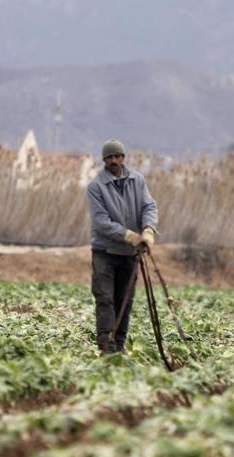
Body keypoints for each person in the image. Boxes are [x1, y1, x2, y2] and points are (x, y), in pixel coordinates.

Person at [86, 139, 158, 356]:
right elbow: (101, 221)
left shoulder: (137, 180)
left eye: (117, 156)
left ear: (123, 157)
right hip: (105, 252)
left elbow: (149, 206)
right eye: (109, 158)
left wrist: (148, 230)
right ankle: (106, 345)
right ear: (104, 161)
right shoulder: (96, 187)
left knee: (124, 300)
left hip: (129, 254)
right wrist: (127, 235)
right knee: (105, 298)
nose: (114, 161)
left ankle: (119, 343)